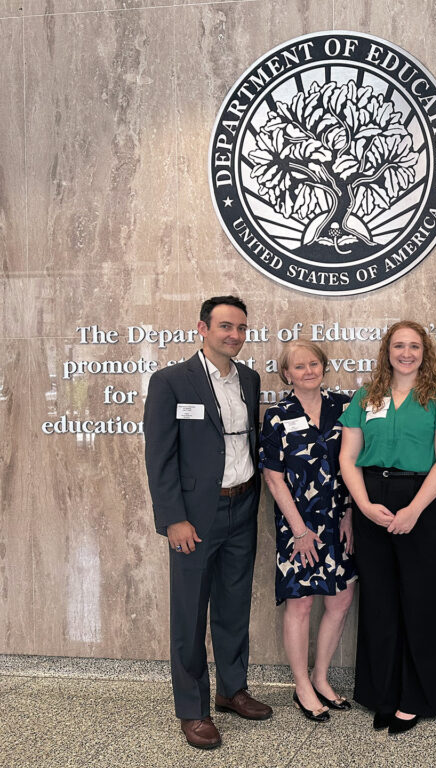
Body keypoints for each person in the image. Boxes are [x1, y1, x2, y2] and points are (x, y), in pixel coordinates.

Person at [143, 296, 272, 750]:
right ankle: (193, 709)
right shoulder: (172, 382)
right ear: (202, 328)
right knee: (190, 612)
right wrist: (173, 519)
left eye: (240, 328)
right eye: (225, 326)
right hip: (196, 516)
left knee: (234, 605)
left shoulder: (250, 380)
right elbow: (159, 457)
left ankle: (232, 689)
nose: (234, 335)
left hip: (242, 507)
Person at [338, 321, 436, 735]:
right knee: (379, 599)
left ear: (424, 351)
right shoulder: (366, 395)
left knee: (422, 599)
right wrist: (363, 506)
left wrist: (413, 509)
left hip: (423, 502)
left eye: (414, 346)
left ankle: (419, 695)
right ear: (386, 350)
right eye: (399, 345)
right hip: (372, 500)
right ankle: (384, 693)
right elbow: (348, 456)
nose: (406, 353)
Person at [259, 341, 356, 722]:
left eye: (314, 363)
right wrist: (299, 530)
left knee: (341, 601)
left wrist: (349, 514)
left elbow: (354, 464)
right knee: (301, 603)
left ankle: (321, 677)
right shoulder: (278, 415)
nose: (308, 370)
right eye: (299, 367)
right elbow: (274, 477)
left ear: (324, 366)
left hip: (339, 521)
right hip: (298, 526)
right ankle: (301, 685)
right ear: (287, 374)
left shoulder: (344, 407)